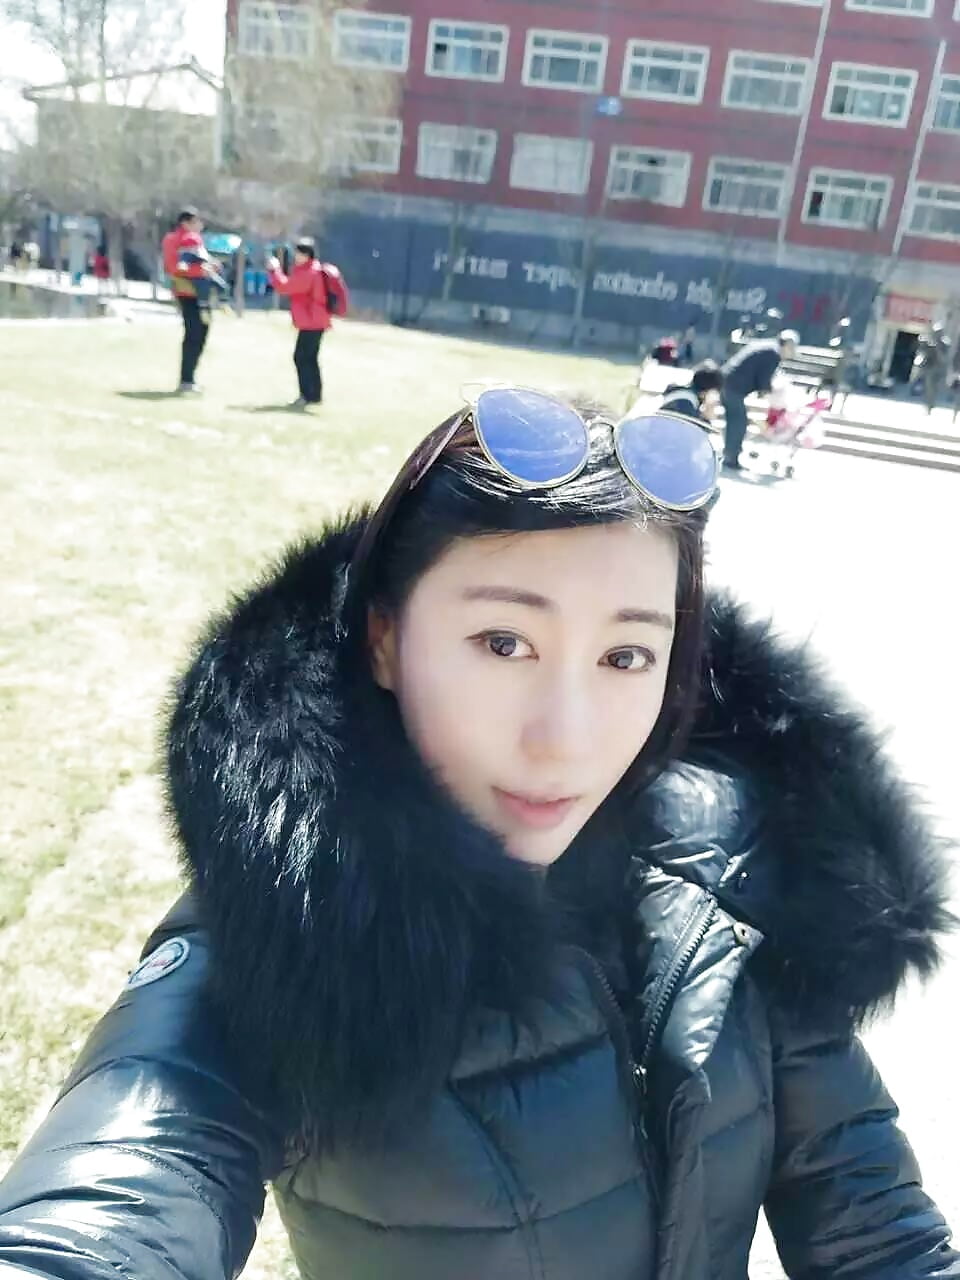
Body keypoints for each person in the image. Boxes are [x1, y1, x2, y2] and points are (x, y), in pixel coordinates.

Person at [0, 388, 957, 1279]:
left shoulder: (742, 867)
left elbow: (880, 1229)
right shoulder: (291, 934)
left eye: (627, 656)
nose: (565, 738)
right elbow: (114, 1196)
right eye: (505, 644)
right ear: (384, 639)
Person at [267, 237, 348, 408]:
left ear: (307, 255)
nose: (296, 257)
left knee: (301, 357)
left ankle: (306, 395)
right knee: (310, 358)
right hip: (317, 320)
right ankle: (314, 395)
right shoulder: (311, 270)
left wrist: (274, 270)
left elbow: (284, 287)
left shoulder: (308, 273)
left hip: (311, 321)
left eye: (299, 253)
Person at [720, 328, 799, 472]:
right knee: (738, 423)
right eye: (792, 348)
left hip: (727, 383)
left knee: (736, 421)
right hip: (733, 387)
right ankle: (731, 458)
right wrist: (773, 398)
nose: (791, 353)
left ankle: (730, 455)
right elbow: (764, 379)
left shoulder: (768, 347)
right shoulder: (773, 353)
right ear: (787, 345)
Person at [161, 207, 213, 394]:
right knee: (195, 333)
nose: (200, 225)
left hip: (195, 293)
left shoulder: (189, 239)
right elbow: (177, 267)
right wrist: (202, 270)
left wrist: (210, 266)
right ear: (186, 223)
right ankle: (187, 379)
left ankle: (190, 377)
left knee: (200, 331)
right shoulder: (180, 239)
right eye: (196, 222)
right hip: (190, 293)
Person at [659, 358, 724, 424]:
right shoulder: (686, 402)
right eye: (716, 392)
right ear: (705, 392)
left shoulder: (686, 397)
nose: (717, 398)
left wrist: (707, 416)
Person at [914, 323, 951, 415]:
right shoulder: (930, 341)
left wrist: (937, 348)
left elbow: (944, 358)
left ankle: (930, 404)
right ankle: (928, 404)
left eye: (938, 332)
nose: (936, 334)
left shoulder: (945, 343)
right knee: (928, 387)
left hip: (939, 368)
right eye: (935, 332)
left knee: (934, 388)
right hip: (929, 367)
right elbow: (922, 351)